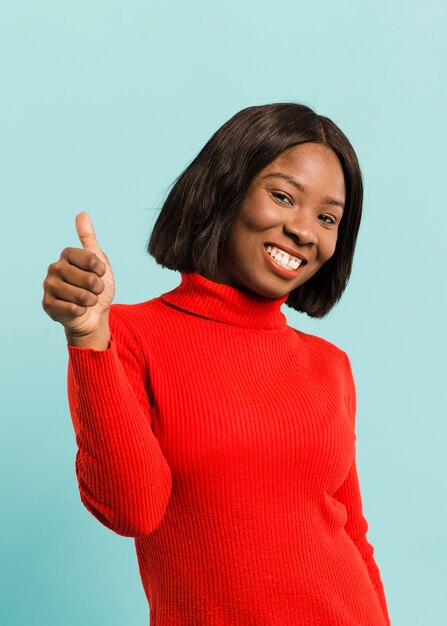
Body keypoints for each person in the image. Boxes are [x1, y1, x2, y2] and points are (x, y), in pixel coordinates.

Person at [42, 102, 391, 625]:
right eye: (282, 197)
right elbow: (132, 508)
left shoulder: (329, 365)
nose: (304, 231)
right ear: (226, 188)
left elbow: (353, 536)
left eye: (327, 218)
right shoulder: (131, 336)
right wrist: (89, 336)